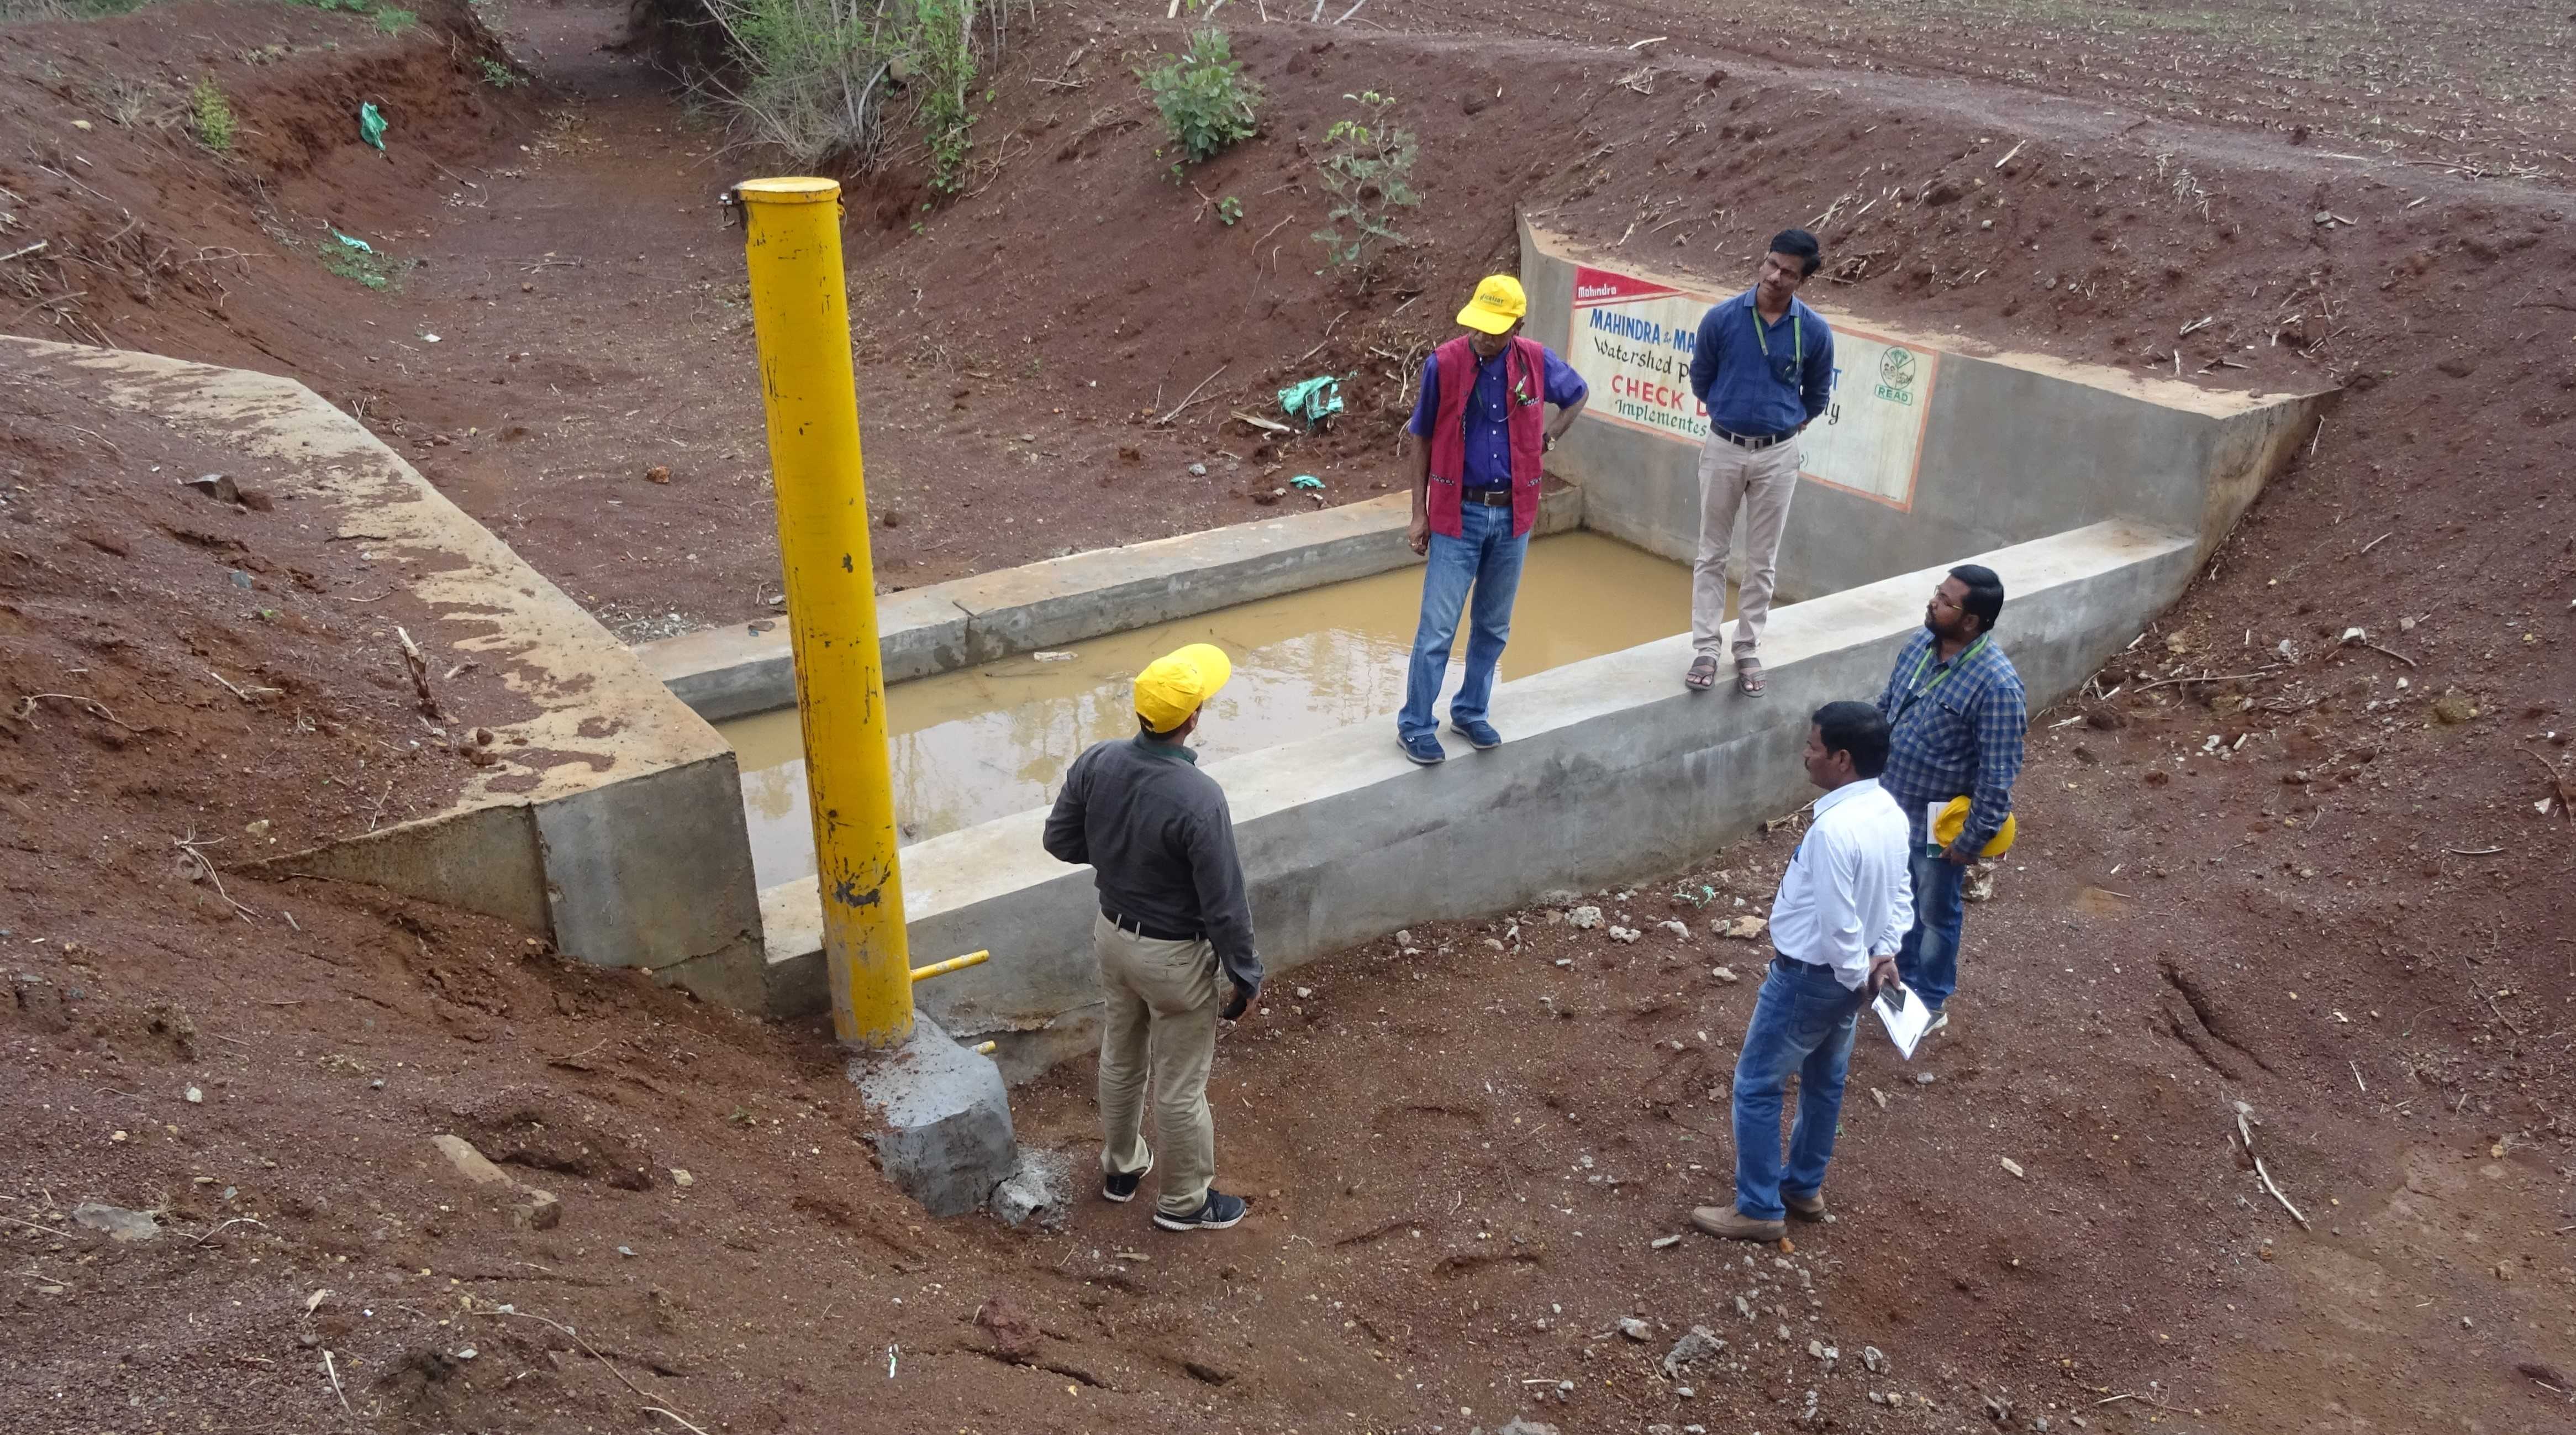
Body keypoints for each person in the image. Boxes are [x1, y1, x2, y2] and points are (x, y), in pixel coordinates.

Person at [1041, 643, 1262, 1232]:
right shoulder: (1199, 797)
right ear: (1191, 719)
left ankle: (1121, 1169)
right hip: (1174, 957)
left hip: (1112, 935)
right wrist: (1245, 974)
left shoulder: (1097, 762)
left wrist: (1120, 859)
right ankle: (1185, 1202)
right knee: (1181, 1081)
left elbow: (1059, 841)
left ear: (1139, 711)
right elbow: (1224, 903)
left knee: (1121, 1052)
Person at [1692, 701, 1913, 1242]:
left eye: (1812, 745)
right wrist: (1881, 954)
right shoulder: (1889, 810)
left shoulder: (1834, 830)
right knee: (1824, 1079)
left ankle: (1759, 1206)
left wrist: (1851, 972)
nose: (1804, 754)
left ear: (1841, 758)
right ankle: (1803, 1185)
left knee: (1756, 1084)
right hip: (1849, 977)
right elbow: (1900, 894)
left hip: (1811, 977)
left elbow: (1838, 921)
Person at [1395, 273, 1589, 766]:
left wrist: (1550, 437)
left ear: (1517, 326)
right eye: (1478, 327)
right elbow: (1420, 437)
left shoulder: (1535, 361)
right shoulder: (1444, 363)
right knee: (1437, 628)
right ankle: (1416, 724)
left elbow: (1578, 393)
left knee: (1493, 626)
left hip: (1512, 515)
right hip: (1456, 514)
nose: (1483, 337)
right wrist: (1418, 513)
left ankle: (1470, 710)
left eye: (1495, 330)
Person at [1874, 564, 2027, 1031]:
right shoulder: (1918, 648)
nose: (1932, 602)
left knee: (1934, 913)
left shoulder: (1996, 685)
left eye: (1945, 601)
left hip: (1938, 827)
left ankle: (1929, 1002)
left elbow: (1997, 775)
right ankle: (1893, 980)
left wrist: (1970, 840)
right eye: (1936, 593)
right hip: (1889, 810)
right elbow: (1885, 708)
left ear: (1971, 621)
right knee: (1894, 902)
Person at [1683, 229, 1835, 698]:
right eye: (1771, 264)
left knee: (1762, 559)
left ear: (1802, 279)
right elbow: (1701, 378)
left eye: (1788, 272)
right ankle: (1706, 647)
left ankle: (1747, 647)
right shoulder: (1722, 318)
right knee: (1711, 552)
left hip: (1777, 454)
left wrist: (1782, 425)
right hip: (1724, 446)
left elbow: (1817, 395)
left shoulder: (1813, 331)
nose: (1774, 276)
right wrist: (1731, 414)